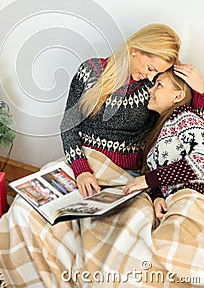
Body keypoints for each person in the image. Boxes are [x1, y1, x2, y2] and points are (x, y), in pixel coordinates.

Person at [60, 23, 204, 197]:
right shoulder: (90, 71)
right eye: (150, 68)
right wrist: (81, 169)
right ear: (135, 50)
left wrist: (200, 93)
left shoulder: (153, 89)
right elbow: (68, 126)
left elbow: (188, 127)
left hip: (128, 176)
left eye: (157, 73)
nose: (151, 77)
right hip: (85, 164)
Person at [123, 68, 204, 220]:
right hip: (172, 203)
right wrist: (157, 196)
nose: (150, 90)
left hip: (194, 197)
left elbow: (200, 162)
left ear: (178, 95)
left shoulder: (184, 115)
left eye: (159, 85)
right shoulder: (162, 130)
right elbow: (160, 175)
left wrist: (147, 180)